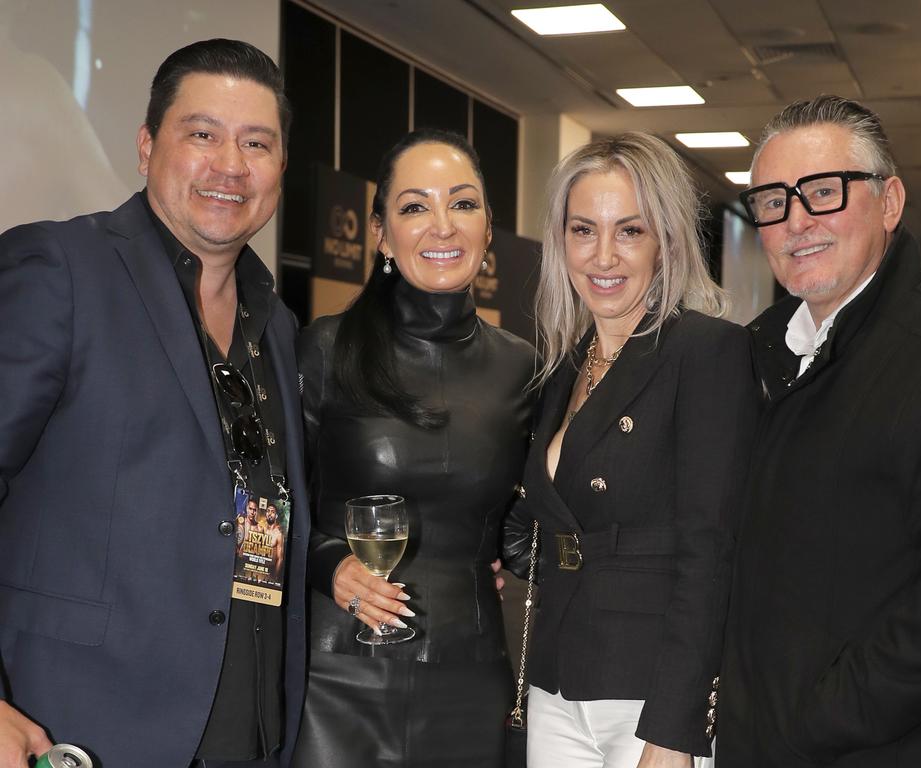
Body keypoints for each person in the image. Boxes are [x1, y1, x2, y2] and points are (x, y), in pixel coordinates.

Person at [0, 39, 310, 768]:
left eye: (256, 143)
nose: (230, 164)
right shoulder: (60, 271)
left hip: (249, 734)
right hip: (78, 732)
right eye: (202, 134)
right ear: (146, 147)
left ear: (280, 167)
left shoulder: (279, 324)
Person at [717, 95, 921, 767]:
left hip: (890, 747)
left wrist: (820, 718)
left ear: (889, 203)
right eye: (772, 201)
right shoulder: (758, 348)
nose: (796, 221)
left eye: (823, 192)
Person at [502, 132, 760, 768]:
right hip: (556, 683)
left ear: (665, 241)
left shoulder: (705, 352)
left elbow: (711, 553)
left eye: (630, 231)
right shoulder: (563, 367)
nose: (604, 255)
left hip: (649, 700)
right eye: (584, 230)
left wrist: (673, 730)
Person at [293, 128, 535, 766]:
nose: (442, 227)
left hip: (472, 671)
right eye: (413, 207)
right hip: (338, 671)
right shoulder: (325, 349)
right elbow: (266, 498)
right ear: (380, 232)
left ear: (488, 227)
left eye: (461, 204)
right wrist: (328, 565)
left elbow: (526, 525)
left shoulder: (523, 367)